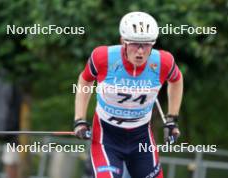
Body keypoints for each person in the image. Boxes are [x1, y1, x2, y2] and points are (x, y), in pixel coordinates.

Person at [74, 11, 183, 178]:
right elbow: (85, 80)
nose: (140, 51)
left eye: (146, 44)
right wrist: (80, 119)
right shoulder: (103, 57)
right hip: (106, 137)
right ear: (122, 41)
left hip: (141, 138)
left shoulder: (163, 61)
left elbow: (176, 80)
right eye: (134, 44)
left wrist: (172, 119)